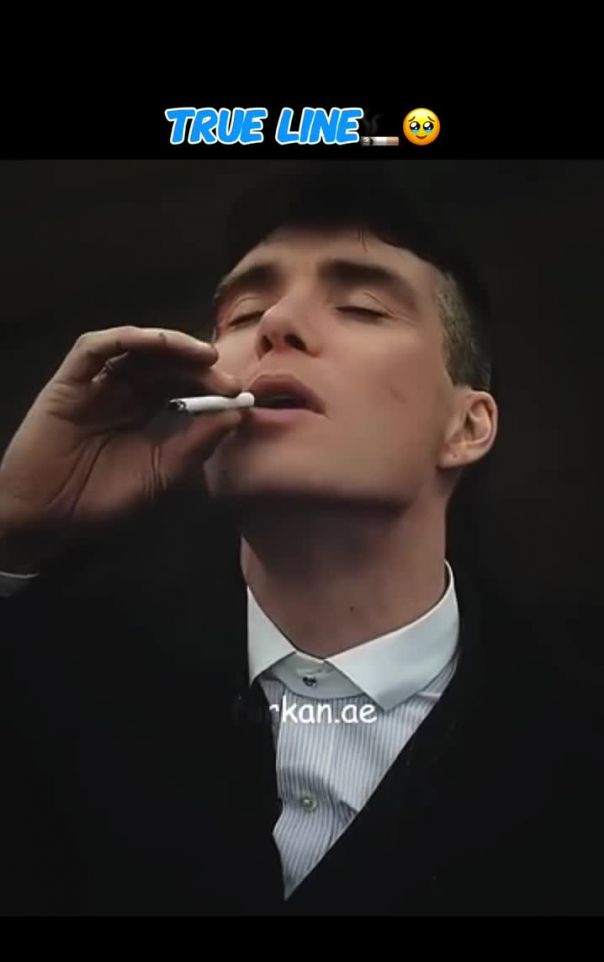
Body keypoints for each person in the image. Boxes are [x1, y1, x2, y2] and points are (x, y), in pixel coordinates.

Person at [0, 166, 601, 916]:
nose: (277, 323)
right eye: (244, 312)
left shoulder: (573, 749)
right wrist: (11, 531)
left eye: (361, 308)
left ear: (467, 425)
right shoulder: (61, 675)